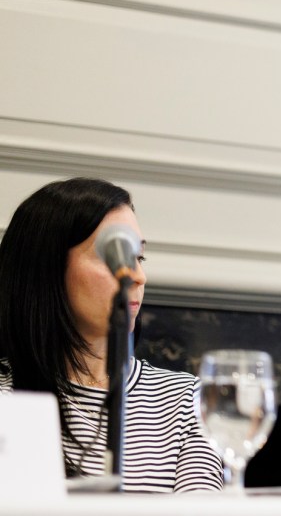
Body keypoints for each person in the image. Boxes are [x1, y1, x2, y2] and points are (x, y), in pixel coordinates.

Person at [0, 178, 222, 493]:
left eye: (139, 257)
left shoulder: (184, 401)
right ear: (47, 266)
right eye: (113, 254)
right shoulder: (7, 399)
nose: (137, 275)